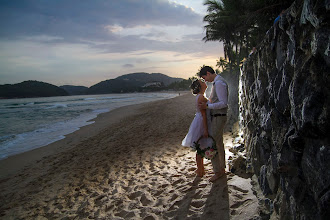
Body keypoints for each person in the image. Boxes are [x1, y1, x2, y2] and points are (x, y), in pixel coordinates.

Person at [198, 66, 228, 182]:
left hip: (219, 117)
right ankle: (221, 168)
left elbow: (223, 103)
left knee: (213, 143)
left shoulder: (219, 83)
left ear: (208, 73)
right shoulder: (218, 82)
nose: (205, 80)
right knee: (219, 143)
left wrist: (207, 106)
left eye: (204, 77)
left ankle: (217, 171)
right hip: (218, 117)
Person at [182, 79, 212, 177]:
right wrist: (206, 129)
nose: (205, 82)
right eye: (202, 82)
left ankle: (200, 169)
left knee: (200, 146)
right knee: (200, 147)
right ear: (200, 86)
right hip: (201, 122)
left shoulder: (201, 96)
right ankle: (200, 170)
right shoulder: (201, 98)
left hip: (198, 120)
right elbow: (204, 115)